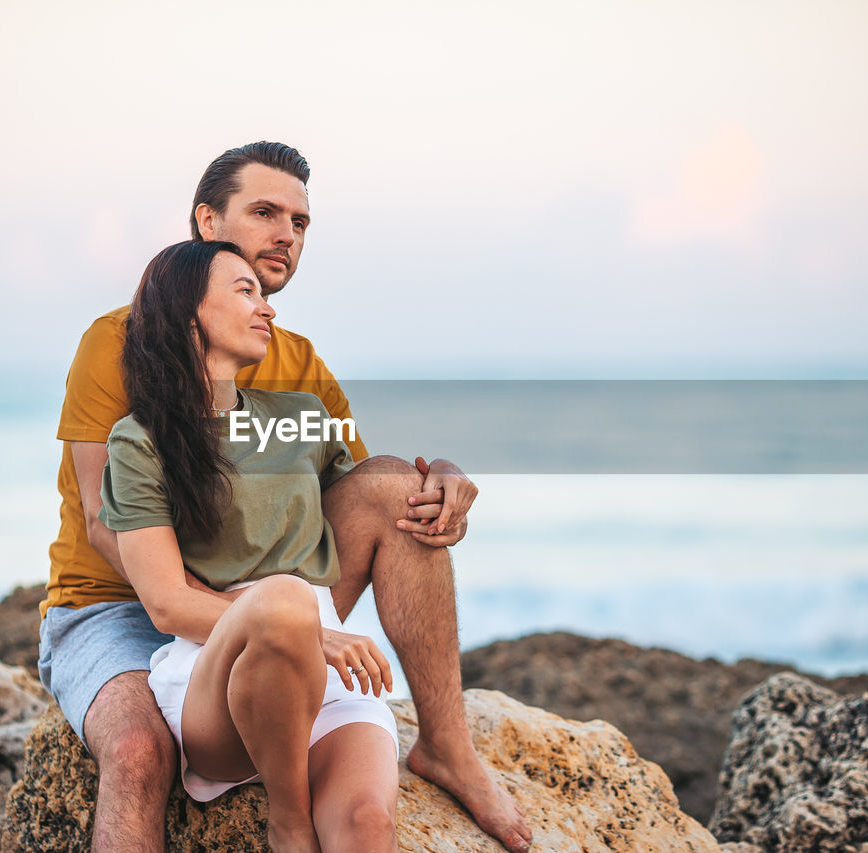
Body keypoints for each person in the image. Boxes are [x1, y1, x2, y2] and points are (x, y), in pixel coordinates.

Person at [39, 142, 532, 852]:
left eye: (300, 222)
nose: (286, 235)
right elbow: (102, 520)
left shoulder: (296, 362)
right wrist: (274, 619)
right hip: (117, 601)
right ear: (205, 222)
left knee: (400, 495)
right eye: (264, 212)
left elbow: (360, 496)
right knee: (138, 751)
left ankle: (447, 746)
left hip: (267, 604)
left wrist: (439, 482)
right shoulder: (115, 342)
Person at [102, 239, 401, 851]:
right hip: (219, 677)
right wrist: (306, 629)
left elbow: (375, 498)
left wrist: (438, 480)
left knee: (368, 825)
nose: (267, 308)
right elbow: (165, 604)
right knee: (288, 599)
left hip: (325, 677)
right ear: (190, 320)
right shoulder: (140, 441)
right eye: (245, 292)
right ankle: (288, 822)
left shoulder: (303, 415)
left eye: (263, 295)